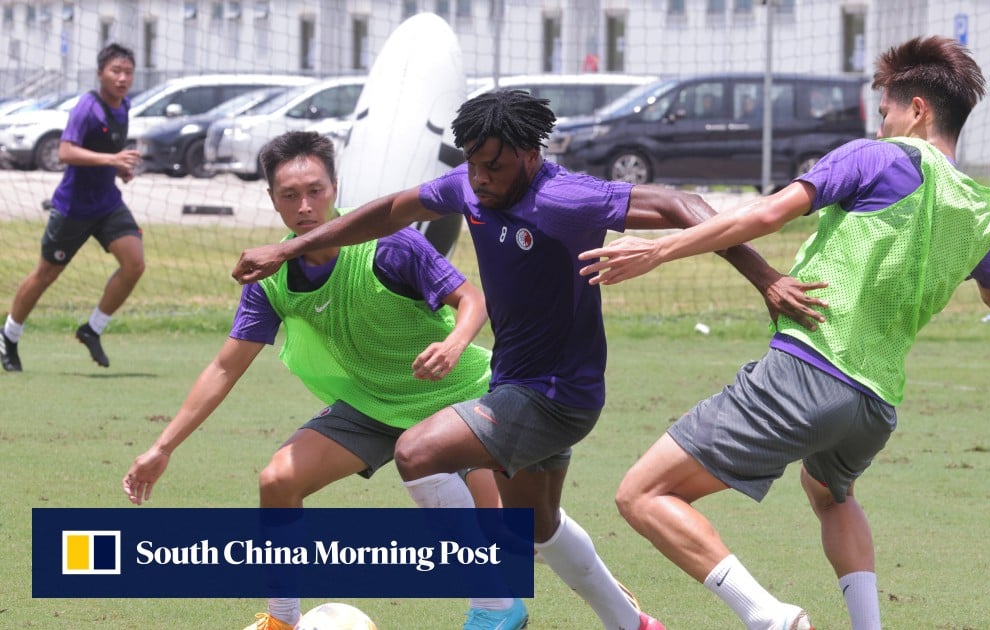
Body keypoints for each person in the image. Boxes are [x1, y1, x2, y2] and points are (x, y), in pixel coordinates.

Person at [231, 89, 824, 630]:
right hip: (519, 384)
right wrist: (290, 247)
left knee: (417, 452)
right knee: (538, 526)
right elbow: (391, 210)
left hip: (555, 393)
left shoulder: (567, 198)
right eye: (473, 163)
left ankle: (493, 601)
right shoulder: (469, 184)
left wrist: (765, 277)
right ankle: (658, 623)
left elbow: (680, 203)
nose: (481, 179)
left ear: (530, 156)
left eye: (496, 165)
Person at [579, 36, 990, 630]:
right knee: (831, 494)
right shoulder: (980, 211)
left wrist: (660, 250)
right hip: (875, 405)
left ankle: (768, 616)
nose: (881, 126)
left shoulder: (875, 158)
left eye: (886, 112)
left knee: (641, 495)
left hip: (810, 369)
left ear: (918, 110)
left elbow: (765, 213)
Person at [122, 131, 496, 630]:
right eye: (289, 195)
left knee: (513, 537)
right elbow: (225, 367)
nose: (305, 205)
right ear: (271, 199)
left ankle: (601, 596)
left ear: (335, 187)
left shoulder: (389, 244)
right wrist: (163, 447)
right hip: (373, 403)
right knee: (278, 480)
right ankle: (282, 621)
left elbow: (474, 300)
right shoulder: (272, 273)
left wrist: (453, 345)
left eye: (315, 190)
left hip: (459, 395)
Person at [1, 43, 143, 372]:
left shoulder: (125, 106)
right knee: (46, 274)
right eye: (116, 71)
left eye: (128, 72)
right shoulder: (86, 107)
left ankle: (91, 329)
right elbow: (66, 152)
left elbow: (108, 150)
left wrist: (119, 168)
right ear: (100, 74)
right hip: (73, 208)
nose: (122, 78)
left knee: (135, 264)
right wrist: (112, 159)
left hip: (108, 204)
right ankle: (9, 334)